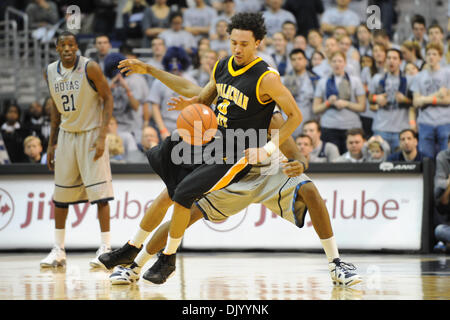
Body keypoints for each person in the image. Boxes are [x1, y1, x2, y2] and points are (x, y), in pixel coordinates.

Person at [115, 12, 303, 284]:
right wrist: (189, 103)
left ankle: (159, 259)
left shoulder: (267, 78)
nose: (238, 48)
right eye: (234, 42)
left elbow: (294, 116)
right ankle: (132, 256)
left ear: (259, 43)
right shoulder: (223, 66)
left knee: (183, 197)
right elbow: (203, 97)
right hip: (214, 145)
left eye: (244, 44)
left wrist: (270, 149)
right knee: (170, 191)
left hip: (240, 154)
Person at [100, 114, 361, 287]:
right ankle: (134, 268)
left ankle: (336, 264)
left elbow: (297, 156)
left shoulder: (273, 118)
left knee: (311, 191)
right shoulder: (225, 115)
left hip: (269, 175)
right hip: (232, 177)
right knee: (184, 212)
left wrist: (299, 164)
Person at [40, 31, 114, 268]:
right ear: (57, 49)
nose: (68, 48)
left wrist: (103, 135)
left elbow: (108, 98)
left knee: (100, 197)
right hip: (66, 137)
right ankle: (58, 249)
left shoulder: (89, 68)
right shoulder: (50, 71)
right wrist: (52, 143)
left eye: (71, 44)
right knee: (60, 198)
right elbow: (55, 107)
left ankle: (106, 248)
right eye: (63, 45)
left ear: (77, 47)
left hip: (91, 134)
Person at [313, 51, 366, 154]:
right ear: (330, 63)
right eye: (334, 61)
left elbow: (362, 107)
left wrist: (346, 104)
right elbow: (315, 109)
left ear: (345, 63)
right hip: (329, 127)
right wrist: (328, 103)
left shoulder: (355, 81)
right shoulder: (322, 82)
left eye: (340, 61)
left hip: (351, 127)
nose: (337, 64)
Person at [368, 49, 413, 152]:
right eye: (388, 58)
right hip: (381, 128)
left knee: (399, 163)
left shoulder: (409, 79)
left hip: (401, 129)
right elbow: (369, 98)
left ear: (400, 62)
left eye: (394, 58)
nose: (391, 61)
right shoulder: (377, 78)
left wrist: (405, 100)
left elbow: (414, 102)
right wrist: (376, 98)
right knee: (380, 163)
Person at [411, 43, 450, 159]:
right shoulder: (419, 77)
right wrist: (437, 95)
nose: (431, 57)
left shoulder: (447, 74)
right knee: (426, 160)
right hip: (425, 123)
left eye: (434, 54)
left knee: (447, 158)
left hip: (445, 122)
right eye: (428, 54)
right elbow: (415, 103)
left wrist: (424, 99)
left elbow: (448, 100)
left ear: (440, 57)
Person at [105, 52, 150, 145]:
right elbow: (98, 105)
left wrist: (127, 89)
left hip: (133, 129)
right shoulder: (106, 82)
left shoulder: (136, 80)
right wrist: (109, 88)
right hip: (113, 129)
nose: (117, 74)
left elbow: (136, 106)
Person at [149, 46, 194, 139]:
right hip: (166, 126)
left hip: (187, 127)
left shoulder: (191, 81)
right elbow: (155, 106)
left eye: (177, 62)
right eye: (171, 62)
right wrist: (163, 130)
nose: (174, 66)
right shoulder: (159, 81)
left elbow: (196, 105)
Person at [283, 49, 319, 137]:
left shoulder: (314, 79)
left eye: (299, 59)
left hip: (308, 121)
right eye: (294, 59)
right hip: (287, 121)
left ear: (306, 61)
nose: (297, 62)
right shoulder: (283, 80)